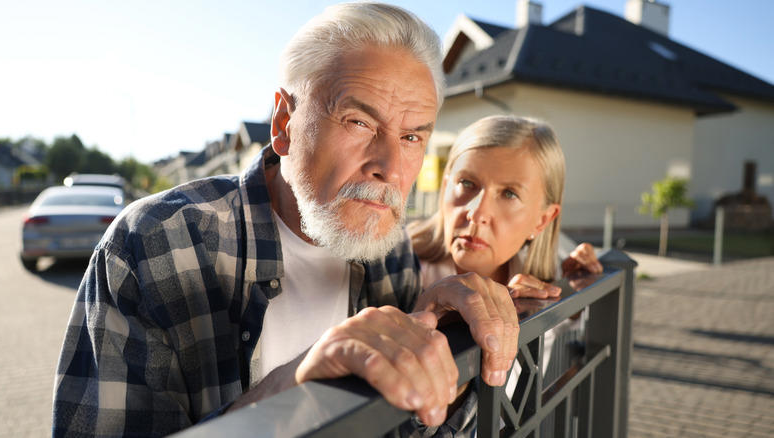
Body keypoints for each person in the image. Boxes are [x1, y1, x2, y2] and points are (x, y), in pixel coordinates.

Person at [52, 3, 519, 437]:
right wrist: (289, 388)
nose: (392, 168)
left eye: (413, 136)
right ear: (283, 123)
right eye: (359, 122)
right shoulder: (153, 245)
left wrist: (449, 360)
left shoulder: (390, 244)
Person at [408, 115, 602, 401]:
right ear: (445, 187)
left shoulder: (540, 280)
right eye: (466, 183)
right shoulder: (392, 266)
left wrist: (578, 289)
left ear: (542, 220)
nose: (477, 212)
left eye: (509, 193)